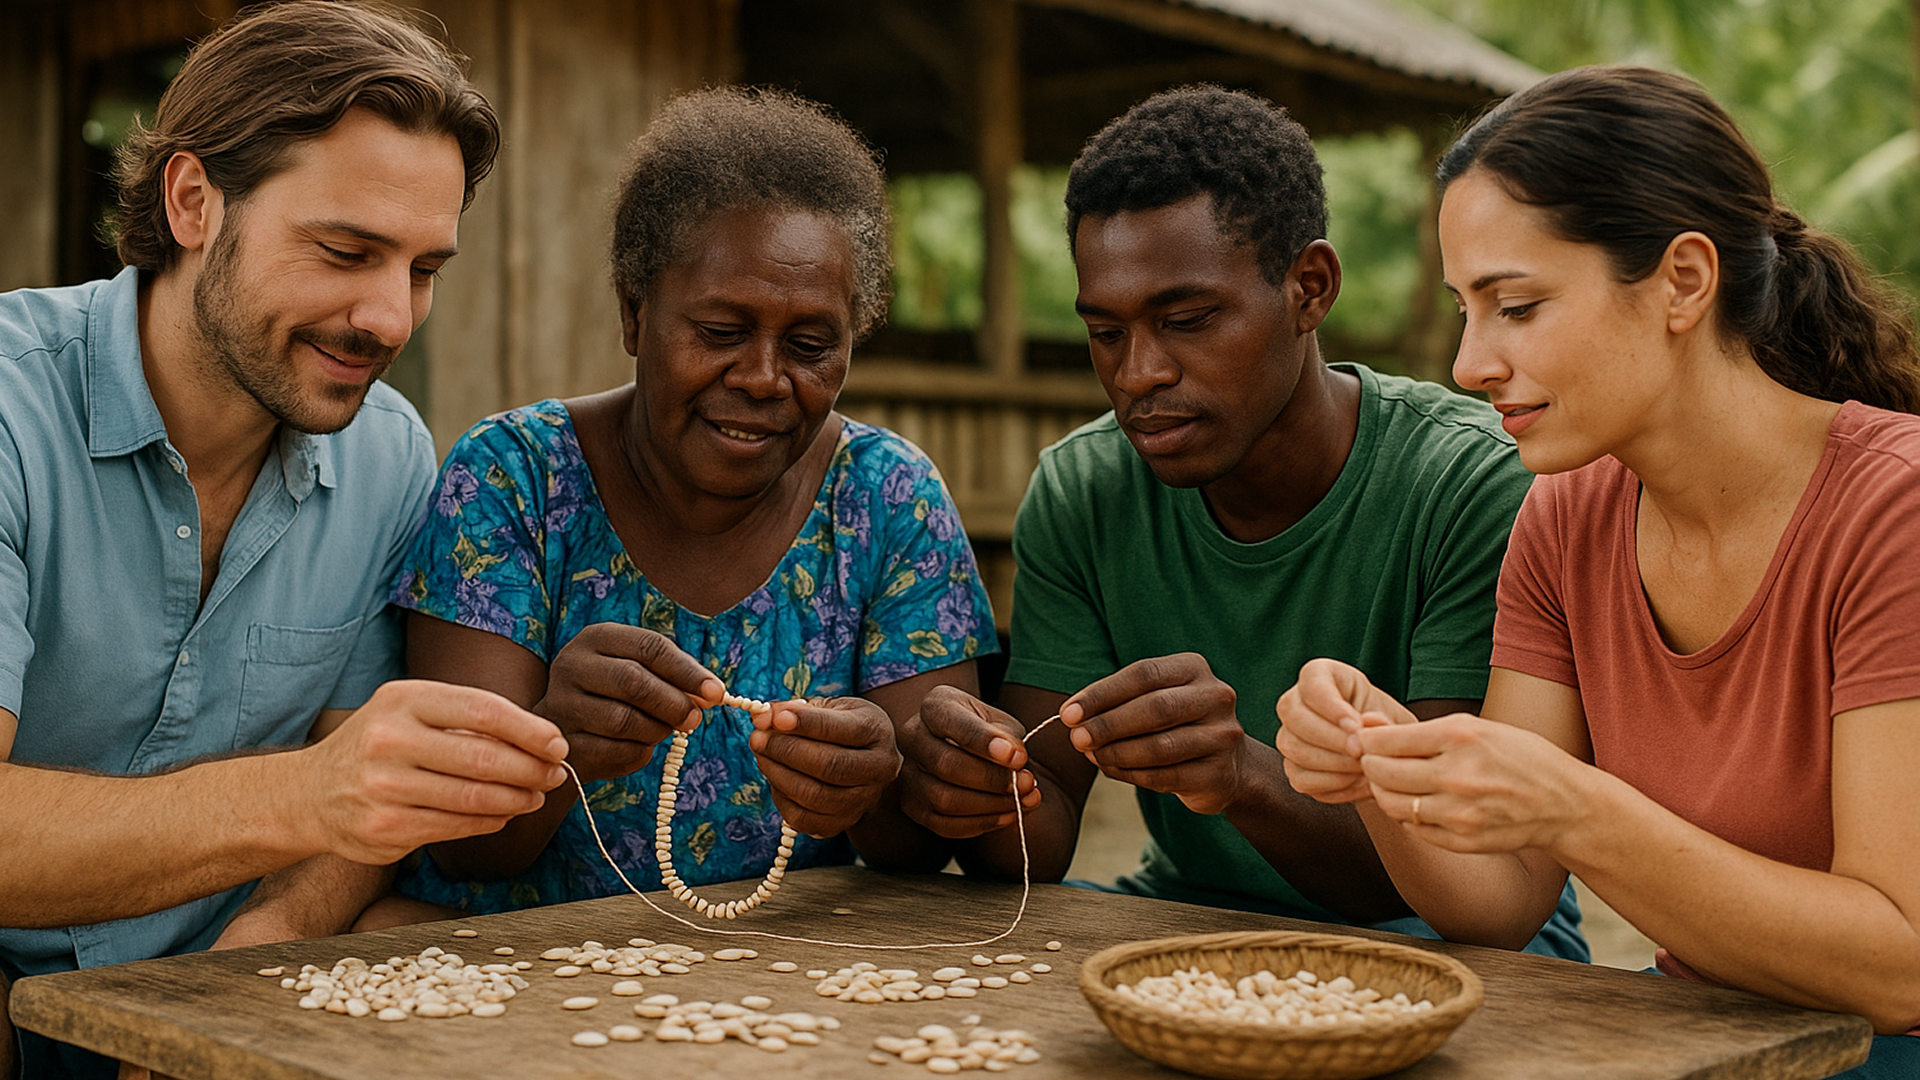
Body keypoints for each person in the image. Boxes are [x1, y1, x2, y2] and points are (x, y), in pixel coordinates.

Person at [1276, 65, 1920, 1077]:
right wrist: (1379, 767)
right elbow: (1503, 898)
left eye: (1516, 306)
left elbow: (1900, 969)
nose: (1468, 361)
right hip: (1711, 1046)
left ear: (1682, 281)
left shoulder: (1896, 510)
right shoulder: (1565, 515)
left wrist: (1576, 805)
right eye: (1464, 309)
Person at [0, 4, 575, 1077]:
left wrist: (237, 983)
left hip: (230, 983)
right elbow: (335, 792)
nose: (389, 319)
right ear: (191, 202)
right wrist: (310, 792)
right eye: (346, 251)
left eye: (422, 269)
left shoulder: (389, 456)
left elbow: (354, 828)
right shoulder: (9, 412)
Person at [876, 86, 1583, 958]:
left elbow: (1453, 870)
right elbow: (1039, 843)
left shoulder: (1472, 485)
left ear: (1309, 288)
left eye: (1187, 321)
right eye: (1105, 333)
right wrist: (983, 782)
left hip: (1454, 944)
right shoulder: (1085, 489)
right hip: (1190, 922)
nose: (1139, 373)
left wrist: (1242, 777)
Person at [364, 85, 996, 922]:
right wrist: (558, 739)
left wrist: (868, 789)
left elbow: (925, 847)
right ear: (635, 313)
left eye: (810, 347)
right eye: (720, 333)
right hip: (514, 973)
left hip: (788, 980)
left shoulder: (889, 500)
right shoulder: (514, 480)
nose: (764, 379)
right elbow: (465, 848)